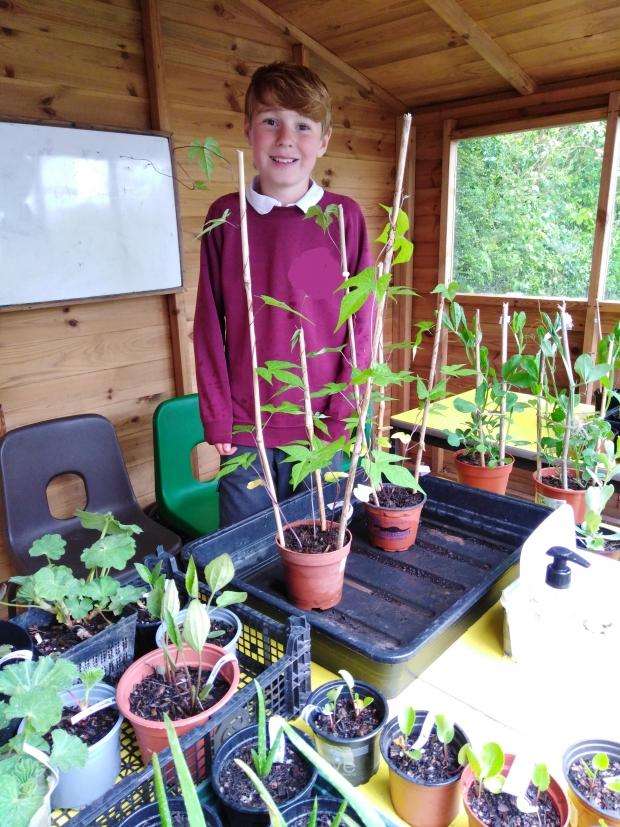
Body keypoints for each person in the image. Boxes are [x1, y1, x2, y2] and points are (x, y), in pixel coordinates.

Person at [194, 61, 373, 527]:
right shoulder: (226, 217)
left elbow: (362, 323)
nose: (285, 139)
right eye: (271, 121)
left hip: (324, 429)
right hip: (246, 431)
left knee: (325, 549)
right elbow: (209, 325)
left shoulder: (343, 217)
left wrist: (343, 413)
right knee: (247, 553)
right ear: (249, 130)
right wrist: (218, 417)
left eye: (303, 126)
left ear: (324, 140)